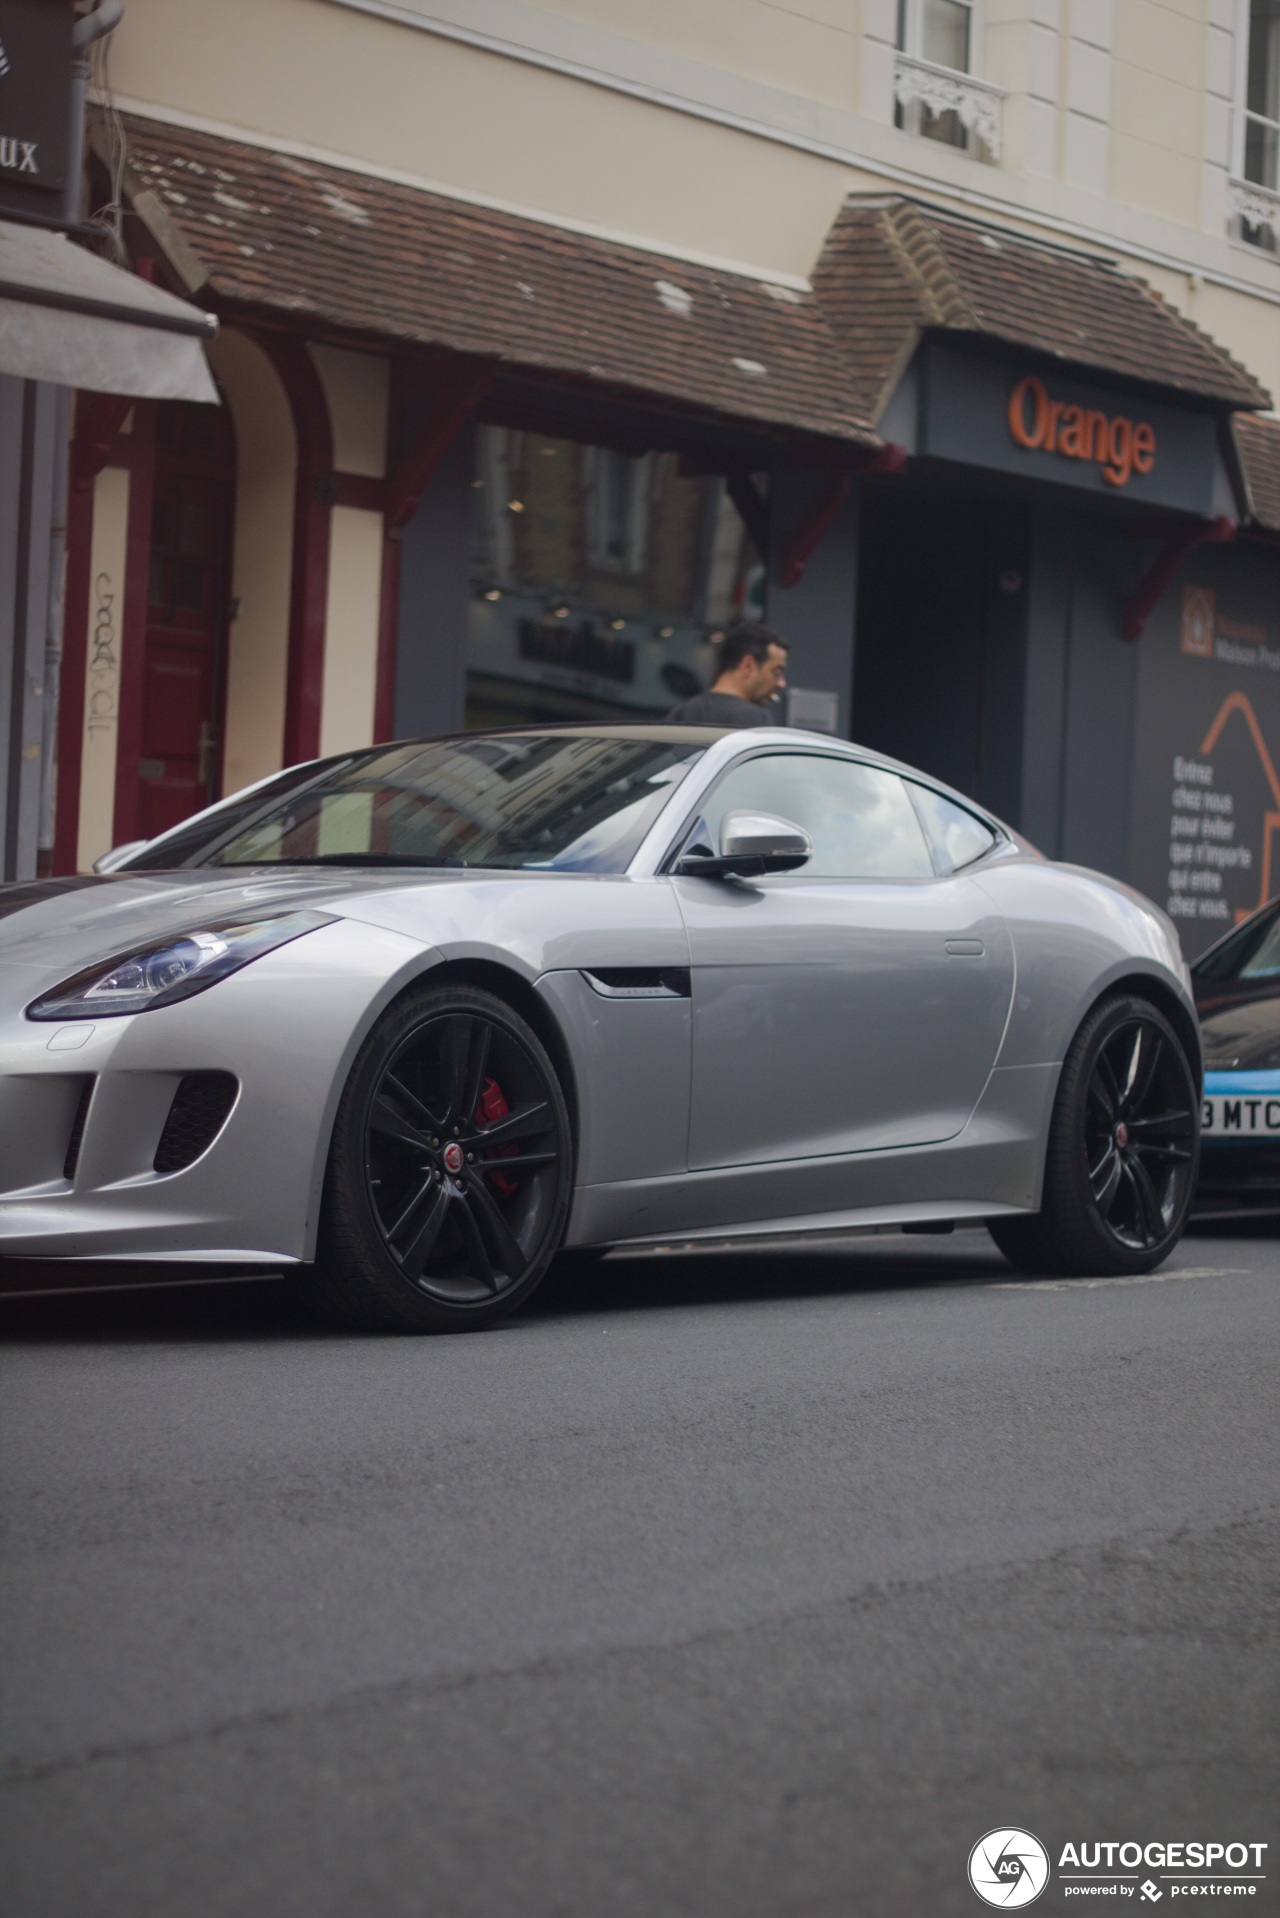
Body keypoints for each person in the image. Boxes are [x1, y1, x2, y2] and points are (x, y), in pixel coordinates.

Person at [665, 622, 788, 728]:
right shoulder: (756, 719)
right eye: (776, 672)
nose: (781, 683)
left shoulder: (681, 714)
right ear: (748, 666)